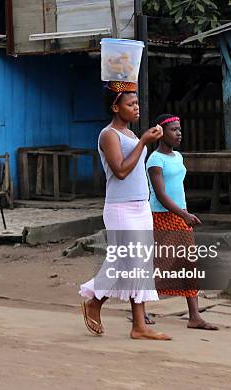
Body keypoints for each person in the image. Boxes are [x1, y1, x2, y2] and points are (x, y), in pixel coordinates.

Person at [79, 81, 171, 340]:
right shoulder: (109, 135)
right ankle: (94, 301)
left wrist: (141, 141)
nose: (136, 108)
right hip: (120, 208)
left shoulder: (131, 135)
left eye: (137, 103)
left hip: (140, 205)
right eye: (130, 104)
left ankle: (139, 325)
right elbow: (120, 171)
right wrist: (143, 142)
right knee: (122, 262)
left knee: (139, 265)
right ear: (115, 107)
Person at [147, 114, 218, 331]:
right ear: (161, 133)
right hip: (163, 216)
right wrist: (183, 215)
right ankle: (140, 309)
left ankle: (194, 316)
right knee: (164, 265)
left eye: (179, 129)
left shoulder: (177, 156)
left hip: (180, 214)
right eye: (174, 130)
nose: (179, 133)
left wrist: (184, 213)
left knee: (188, 264)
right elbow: (160, 195)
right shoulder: (154, 160)